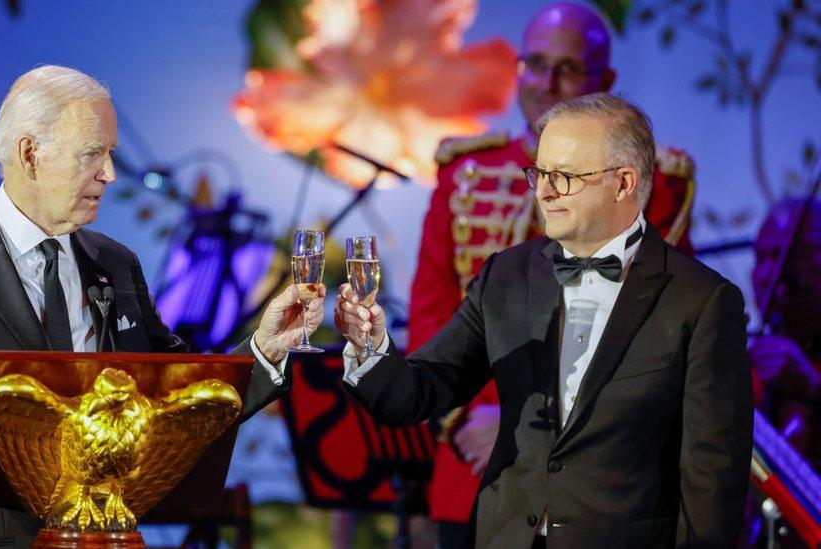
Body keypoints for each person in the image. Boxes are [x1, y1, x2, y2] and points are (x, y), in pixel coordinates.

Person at [0, 65, 323, 548]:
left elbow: (178, 394)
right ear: (30, 153)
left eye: (110, 154)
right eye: (92, 154)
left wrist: (265, 349)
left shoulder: (115, 263)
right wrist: (17, 468)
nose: (110, 175)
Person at [336, 93, 752, 547]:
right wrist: (369, 345)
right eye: (540, 172)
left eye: (565, 176)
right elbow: (420, 391)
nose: (544, 191)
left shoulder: (702, 300)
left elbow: (713, 479)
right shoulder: (506, 275)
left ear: (624, 183)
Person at [411, 4, 697, 544]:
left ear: (605, 82)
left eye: (568, 68)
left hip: (597, 479)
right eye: (535, 64)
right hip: (475, 463)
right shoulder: (464, 174)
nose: (547, 83)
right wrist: (470, 422)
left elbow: (656, 336)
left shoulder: (655, 185)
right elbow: (432, 312)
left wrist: (529, 424)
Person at [750, 197, 821, 464]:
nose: (768, 273)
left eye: (780, 256)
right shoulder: (748, 366)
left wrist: (813, 389)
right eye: (760, 257)